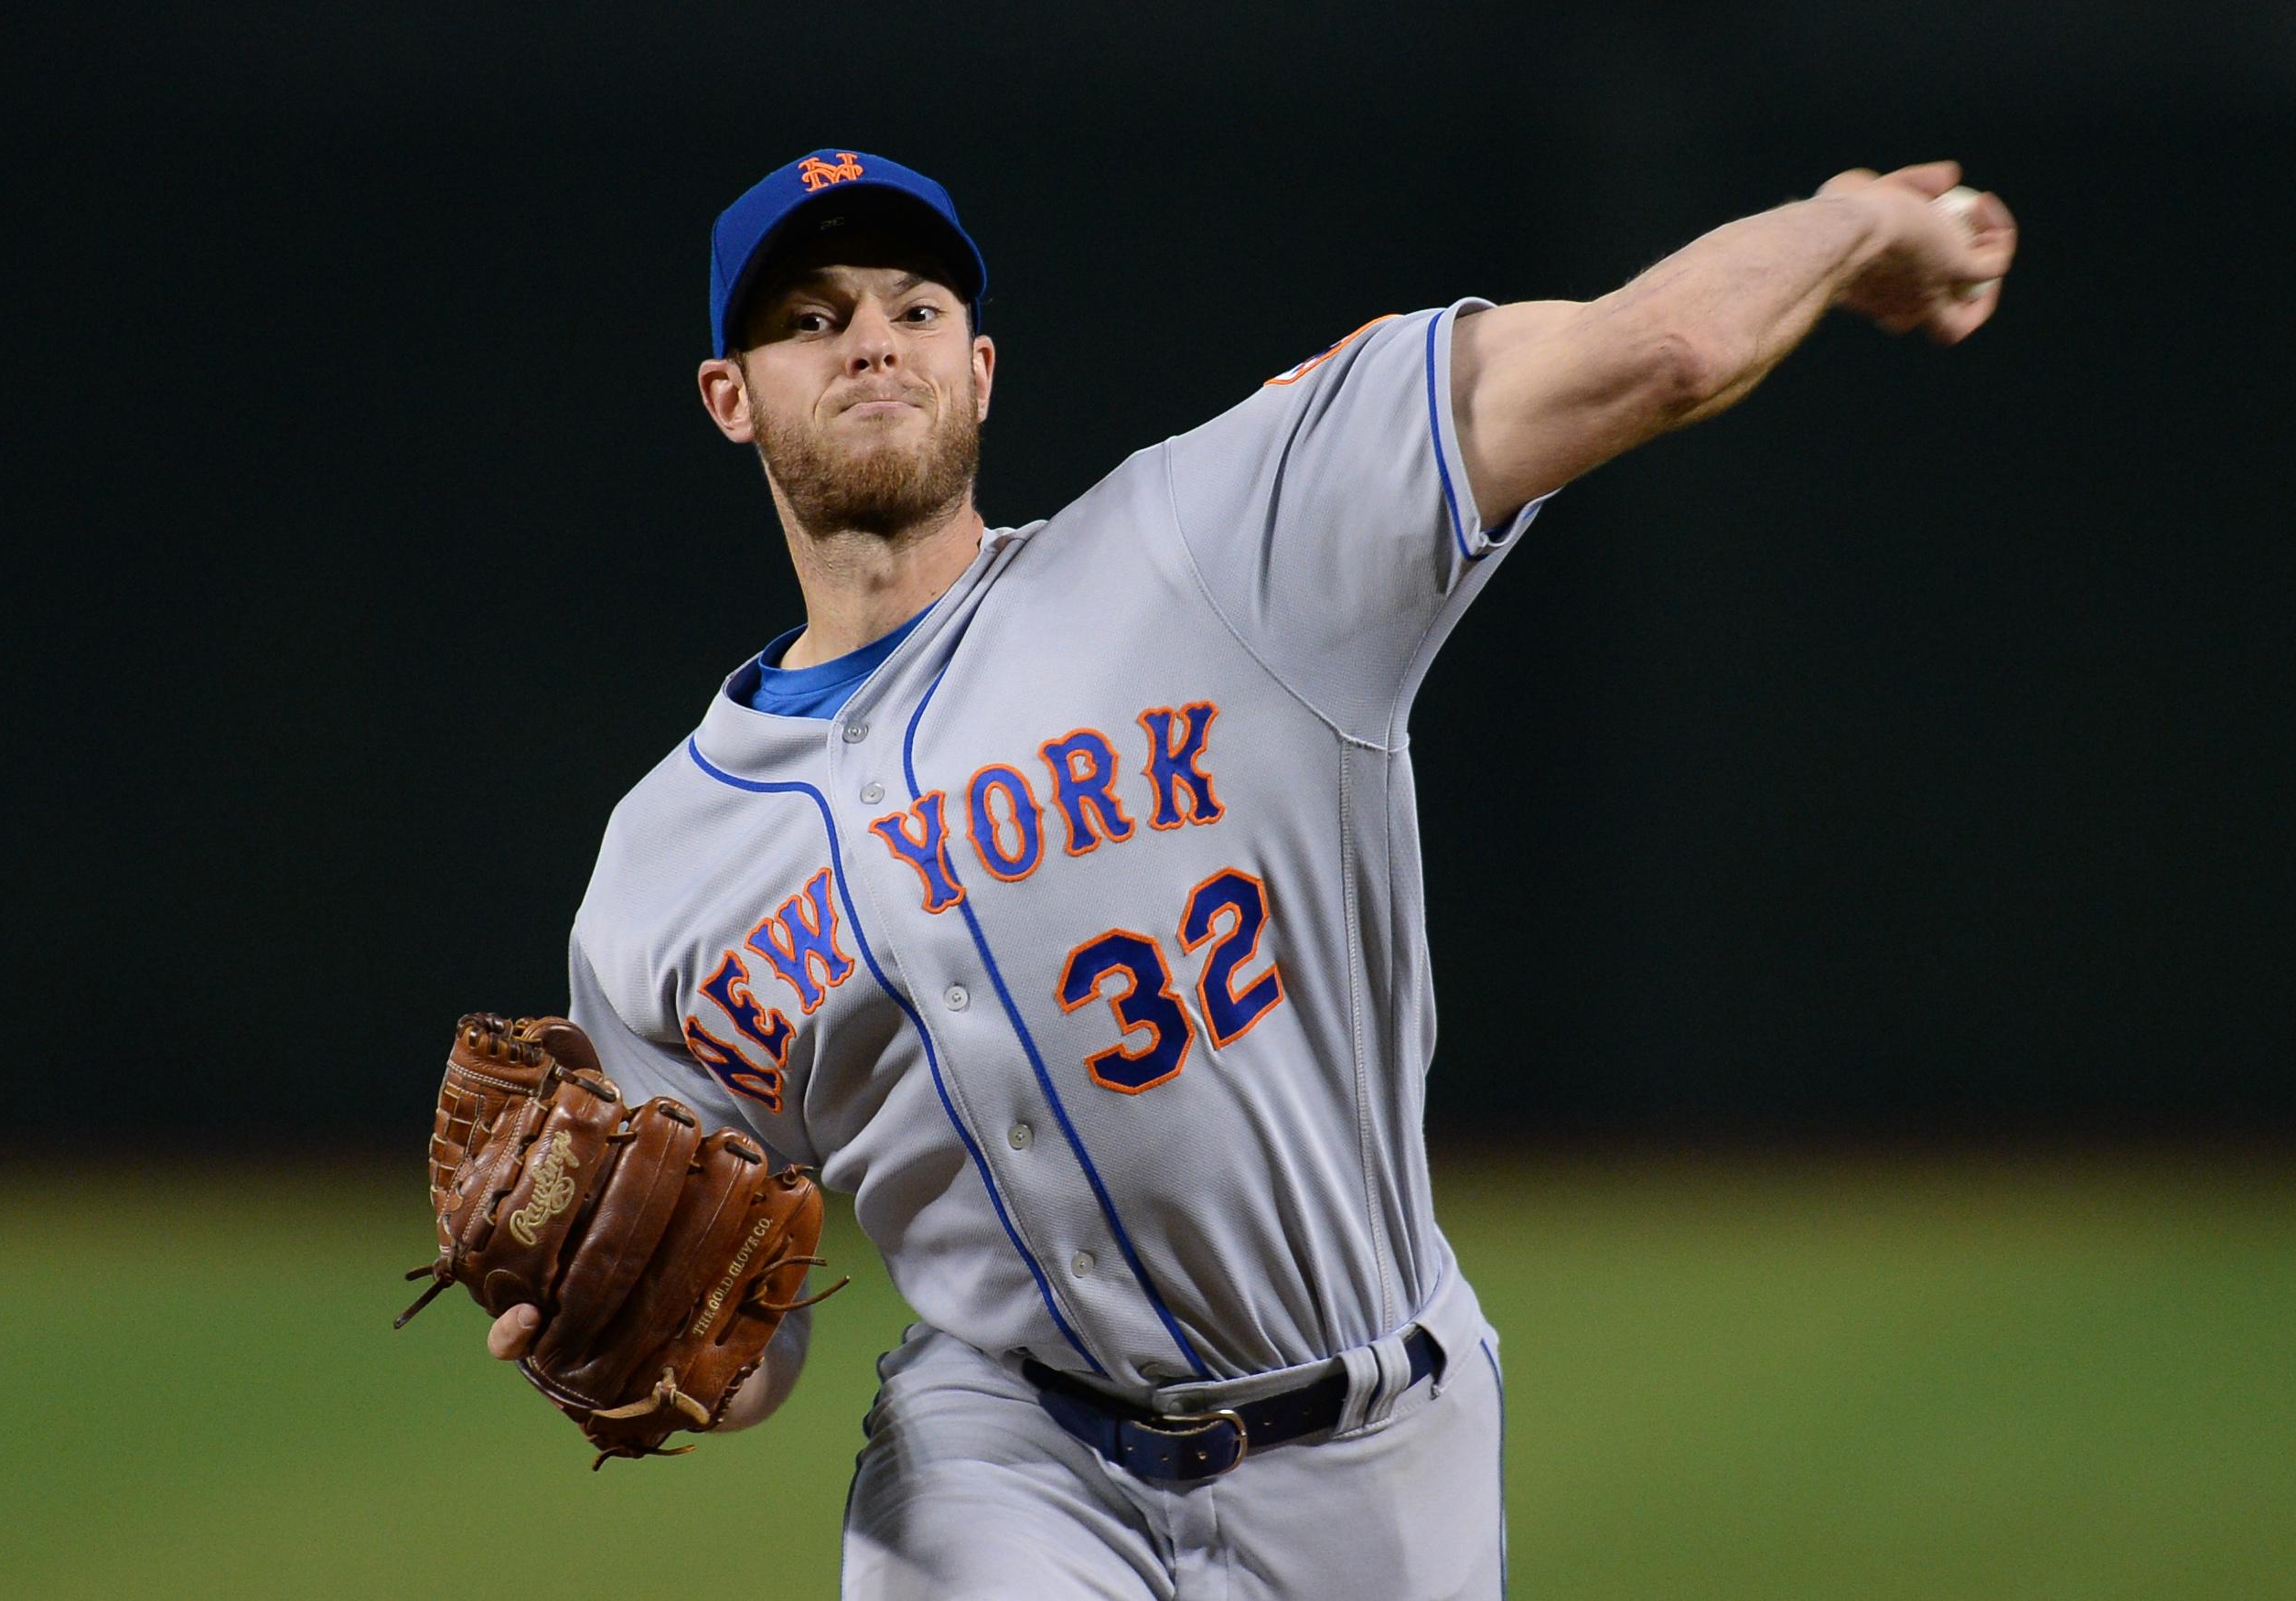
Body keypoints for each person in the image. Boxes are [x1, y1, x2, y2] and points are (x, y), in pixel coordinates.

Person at [484, 147, 2015, 1598]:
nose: (871, 342)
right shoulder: (657, 881)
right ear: (730, 397)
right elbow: (740, 1353)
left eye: (915, 308)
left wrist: (1853, 220)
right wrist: (627, 1345)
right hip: (998, 1456)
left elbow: (1662, 351)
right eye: (810, 322)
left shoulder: (1215, 544)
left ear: (981, 368)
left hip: (1377, 1440)